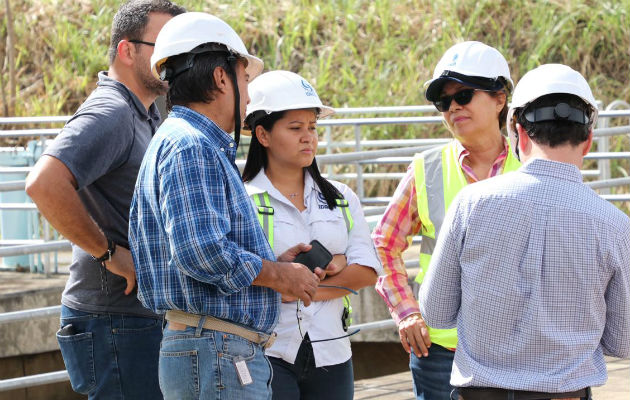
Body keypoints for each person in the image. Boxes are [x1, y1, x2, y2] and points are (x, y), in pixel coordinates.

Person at [128, 13, 324, 400]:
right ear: (221, 78)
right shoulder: (192, 146)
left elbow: (201, 250)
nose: (249, 97)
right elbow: (201, 252)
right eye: (246, 80)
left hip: (211, 349)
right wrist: (278, 275)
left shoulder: (184, 141)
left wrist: (272, 267)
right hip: (217, 351)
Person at [419, 63, 630, 400]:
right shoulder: (616, 226)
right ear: (588, 139)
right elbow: (623, 340)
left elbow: (437, 313)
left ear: (518, 130)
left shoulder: (472, 203)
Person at [24, 1, 184, 398]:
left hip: (131, 318)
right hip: (114, 320)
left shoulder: (146, 113)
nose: (172, 60)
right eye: (162, 47)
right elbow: (43, 183)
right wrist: (109, 252)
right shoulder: (111, 112)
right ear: (128, 50)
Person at [372, 41, 521, 399]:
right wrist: (407, 313)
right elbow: (382, 244)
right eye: (444, 101)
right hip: (440, 354)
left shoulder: (533, 165)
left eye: (464, 95)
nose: (453, 106)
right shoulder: (427, 169)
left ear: (500, 98)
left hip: (520, 351)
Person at [242, 70, 382, 399]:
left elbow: (366, 271)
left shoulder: (342, 198)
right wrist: (330, 266)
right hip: (267, 351)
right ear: (262, 135)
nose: (309, 137)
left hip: (332, 351)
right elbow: (237, 271)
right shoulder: (241, 201)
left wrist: (297, 287)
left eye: (312, 127)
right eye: (295, 128)